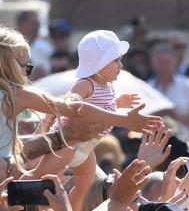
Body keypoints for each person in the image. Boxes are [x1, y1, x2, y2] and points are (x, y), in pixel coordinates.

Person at [20, 30, 158, 211]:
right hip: (68, 144)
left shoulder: (107, 86)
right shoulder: (86, 84)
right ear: (99, 63)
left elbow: (101, 110)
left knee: (84, 184)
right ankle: (11, 191)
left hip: (87, 148)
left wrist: (119, 102)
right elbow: (71, 101)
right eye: (115, 61)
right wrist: (74, 100)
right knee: (39, 176)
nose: (121, 65)